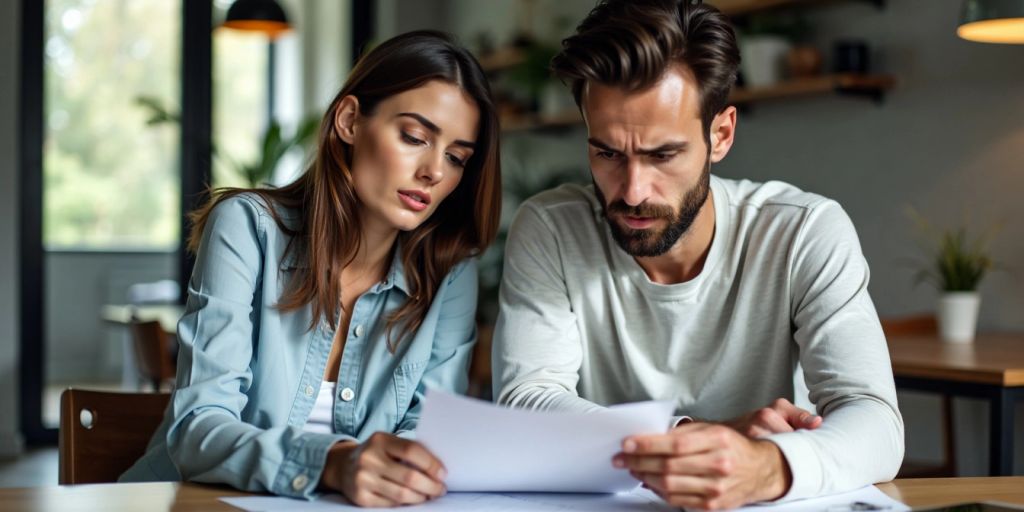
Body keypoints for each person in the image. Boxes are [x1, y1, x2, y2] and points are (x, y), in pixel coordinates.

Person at [492, 1, 903, 509]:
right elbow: (527, 403)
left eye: (663, 155)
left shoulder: (803, 231)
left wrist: (765, 468)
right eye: (607, 153)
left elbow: (874, 419)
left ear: (720, 135)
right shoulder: (552, 228)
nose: (634, 190)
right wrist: (693, 436)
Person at [120, 30, 502, 508]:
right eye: (414, 137)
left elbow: (428, 443)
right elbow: (198, 428)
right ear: (349, 120)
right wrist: (333, 463)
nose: (434, 172)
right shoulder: (247, 230)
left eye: (456, 157)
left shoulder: (450, 272)